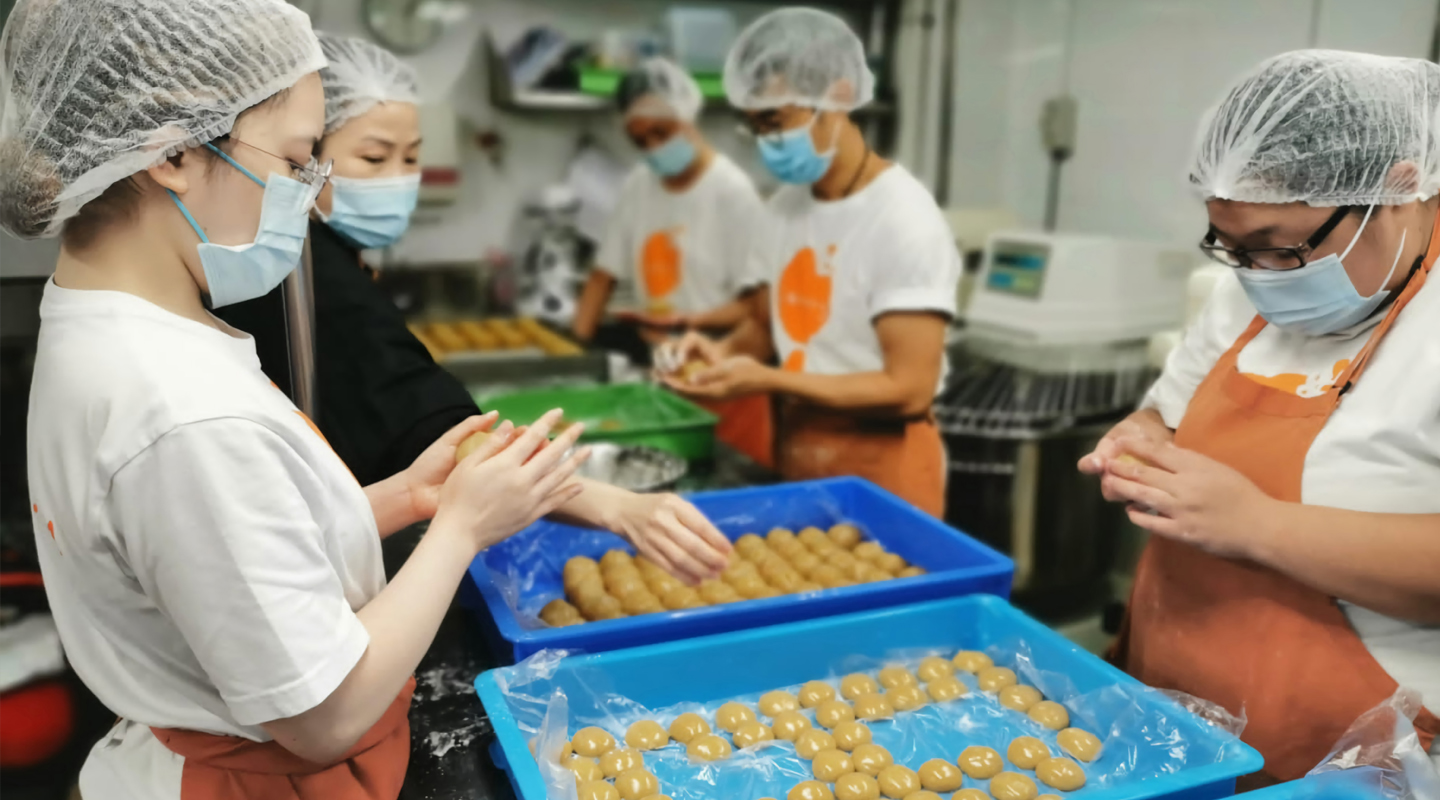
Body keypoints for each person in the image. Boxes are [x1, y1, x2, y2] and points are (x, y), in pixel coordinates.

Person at [0, 5, 722, 800]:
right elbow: (325, 714)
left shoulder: (107, 327)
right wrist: (460, 529)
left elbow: (219, 552)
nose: (310, 194)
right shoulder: (180, 412)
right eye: (301, 157)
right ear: (172, 153)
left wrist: (396, 500)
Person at [217, 33, 733, 569]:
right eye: (374, 158)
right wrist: (616, 507)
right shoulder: (307, 273)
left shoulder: (316, 254)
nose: (399, 179)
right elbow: (428, 423)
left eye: (412, 157)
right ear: (303, 158)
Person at [1081, 50, 1440, 785]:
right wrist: (1139, 440)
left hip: (1352, 753)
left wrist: (1257, 525)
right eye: (1232, 249)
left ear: (1399, 188)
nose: (1257, 277)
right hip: (1177, 703)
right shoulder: (1250, 286)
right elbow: (1167, 413)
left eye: (1281, 250)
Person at [660, 8, 962, 517]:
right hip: (801, 448)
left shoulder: (902, 217)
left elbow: (909, 388)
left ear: (838, 97)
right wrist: (715, 354)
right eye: (756, 127)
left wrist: (769, 380)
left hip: (884, 461)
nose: (768, 142)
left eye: (776, 122)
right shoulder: (782, 210)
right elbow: (762, 328)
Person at [571, 57, 774, 467]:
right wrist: (574, 360)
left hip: (727, 379)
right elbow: (601, 278)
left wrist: (690, 320)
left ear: (687, 117)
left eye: (662, 133)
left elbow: (758, 307)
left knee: (731, 488)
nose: (652, 148)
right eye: (640, 140)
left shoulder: (731, 193)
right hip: (664, 378)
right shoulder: (639, 186)